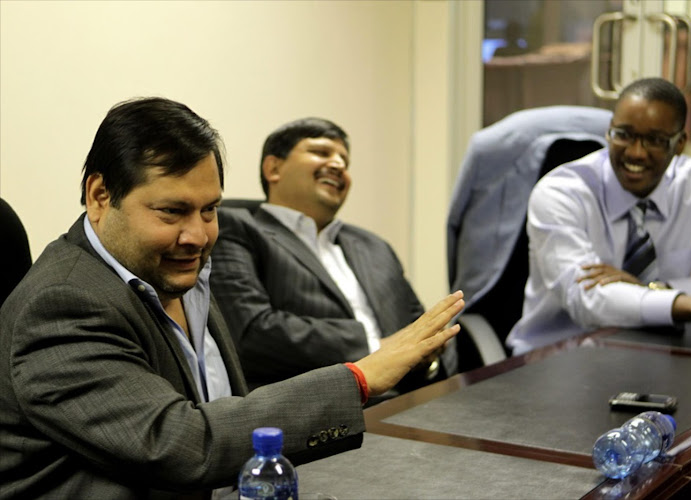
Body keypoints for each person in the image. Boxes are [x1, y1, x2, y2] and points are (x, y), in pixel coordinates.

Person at [0, 97, 463, 498]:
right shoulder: (62, 304)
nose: (198, 235)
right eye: (172, 212)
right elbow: (184, 445)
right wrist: (360, 378)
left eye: (210, 210)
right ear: (100, 196)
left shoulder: (181, 274)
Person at [210, 118, 455, 398]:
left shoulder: (373, 246)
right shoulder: (234, 227)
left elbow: (417, 326)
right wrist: (376, 346)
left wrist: (428, 354)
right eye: (322, 153)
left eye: (344, 160)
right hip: (320, 408)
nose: (338, 165)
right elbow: (252, 332)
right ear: (273, 168)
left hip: (415, 399)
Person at [507, 77, 691, 355]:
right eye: (624, 134)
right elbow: (585, 300)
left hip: (660, 354)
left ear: (680, 144)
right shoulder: (561, 193)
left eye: (655, 141)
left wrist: (655, 290)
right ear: (609, 131)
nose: (636, 152)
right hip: (558, 357)